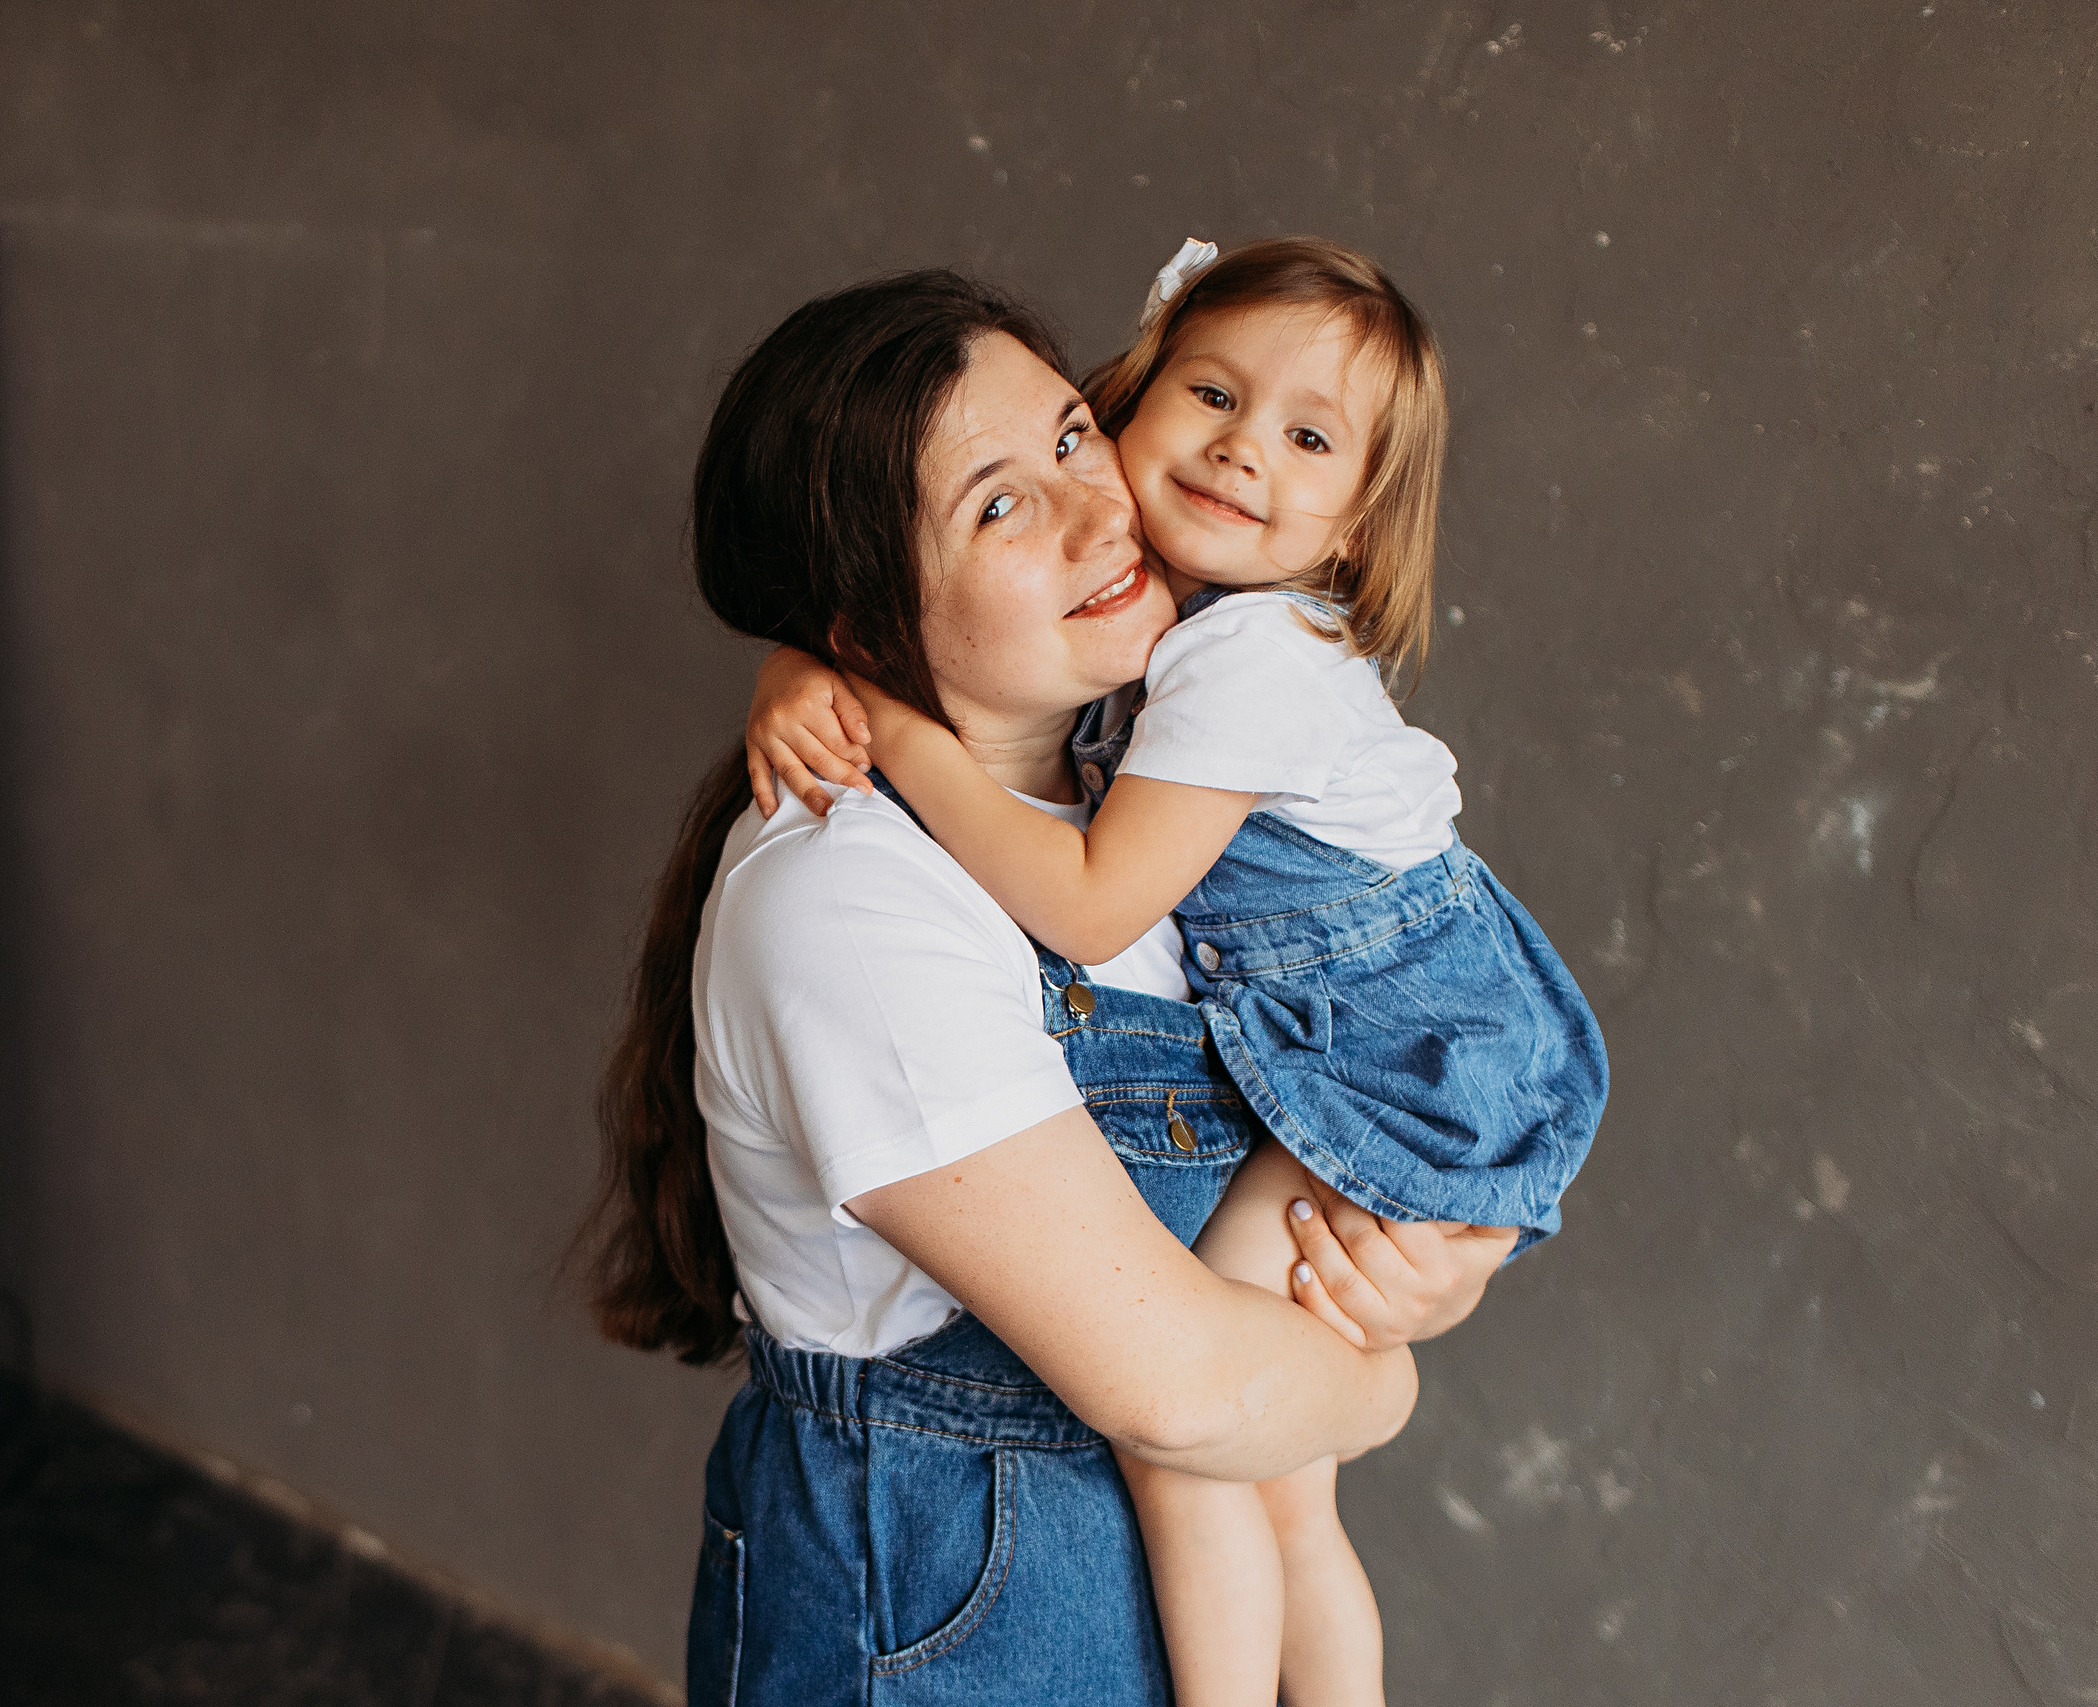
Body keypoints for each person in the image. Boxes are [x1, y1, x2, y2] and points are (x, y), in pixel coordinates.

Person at [580, 268, 1517, 1707]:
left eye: (1077, 434)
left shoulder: (1140, 793)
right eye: (998, 505)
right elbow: (1181, 1390)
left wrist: (1407, 1274)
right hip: (953, 1642)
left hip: (1141, 1607)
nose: (1100, 512)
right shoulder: (850, 899)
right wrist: (1380, 1380)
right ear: (858, 616)